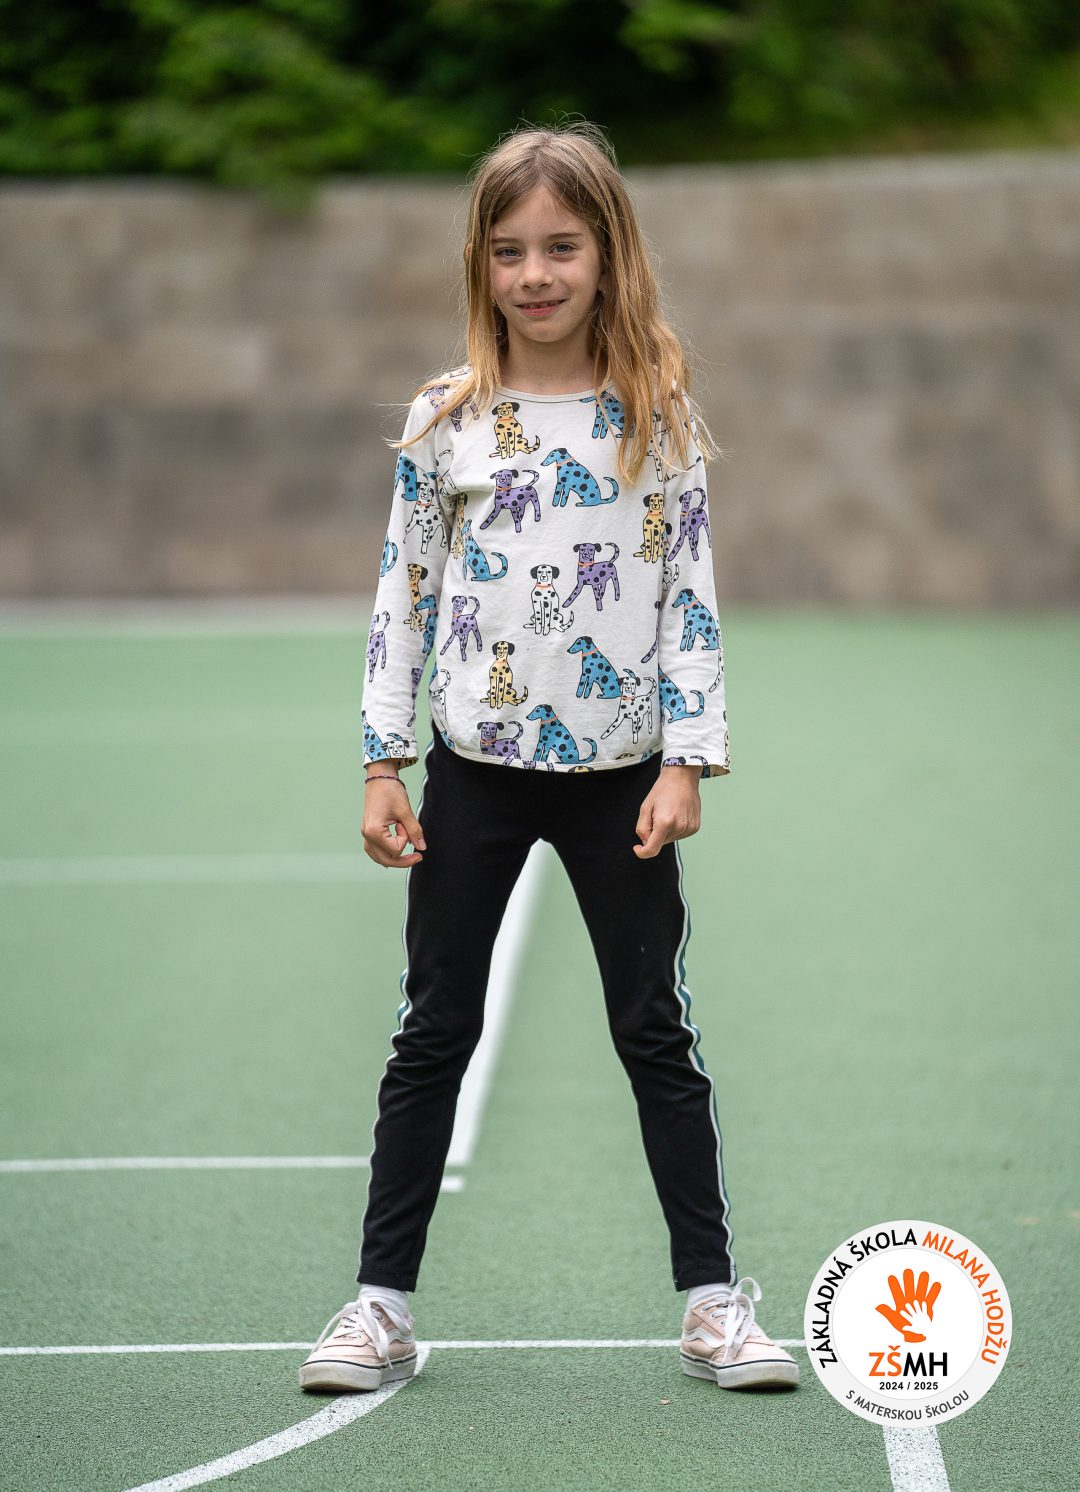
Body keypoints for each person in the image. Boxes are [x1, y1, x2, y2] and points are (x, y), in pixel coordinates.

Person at [300, 120, 799, 1396]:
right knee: (434, 1030)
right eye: (510, 250)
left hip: (622, 784)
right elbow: (404, 595)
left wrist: (688, 759)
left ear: (608, 255)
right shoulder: (447, 420)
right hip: (472, 777)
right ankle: (378, 1306)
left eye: (562, 247)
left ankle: (712, 1302)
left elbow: (688, 593)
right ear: (482, 263)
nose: (535, 274)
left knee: (653, 1029)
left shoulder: (657, 416)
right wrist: (383, 763)